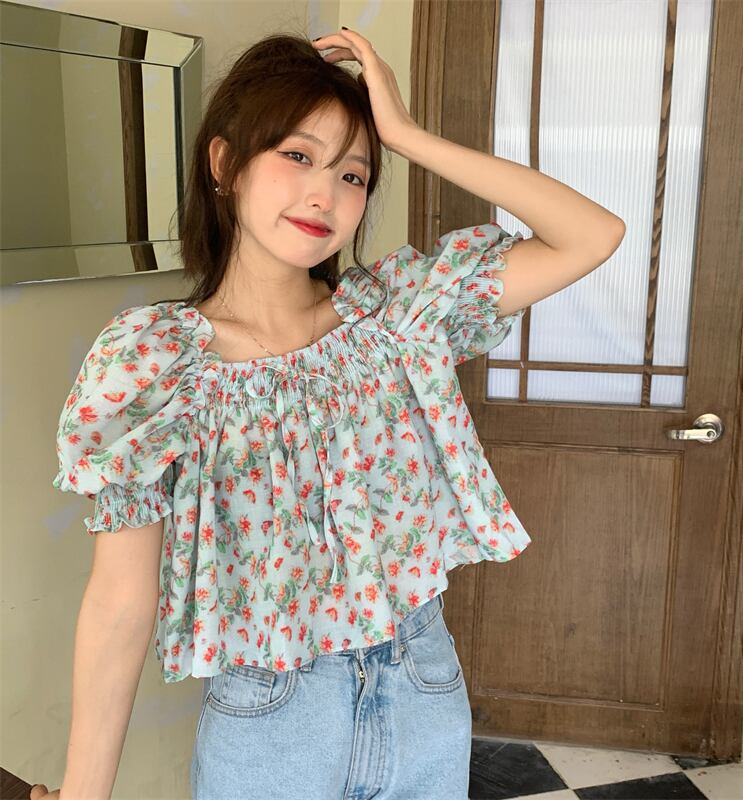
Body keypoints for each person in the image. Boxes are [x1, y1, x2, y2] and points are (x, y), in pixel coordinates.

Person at [32, 26, 624, 800]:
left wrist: (406, 135)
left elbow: (593, 235)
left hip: (422, 690)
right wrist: (84, 793)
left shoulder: (397, 319)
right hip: (271, 718)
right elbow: (119, 599)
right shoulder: (155, 364)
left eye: (353, 174)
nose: (326, 195)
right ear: (224, 163)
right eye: (298, 155)